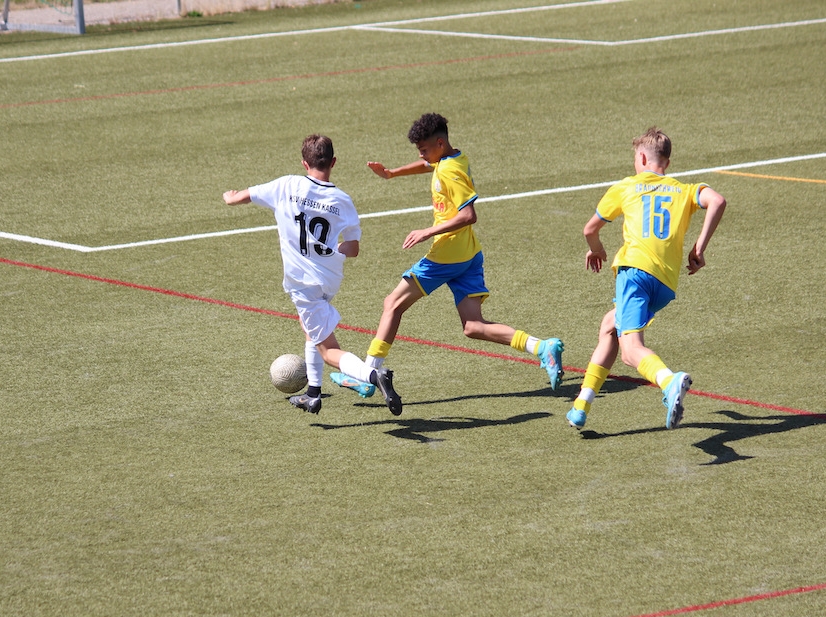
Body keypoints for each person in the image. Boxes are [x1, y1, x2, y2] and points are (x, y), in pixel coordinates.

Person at [335, 113, 564, 405]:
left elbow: (469, 215)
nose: (421, 155)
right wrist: (392, 173)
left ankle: (368, 375)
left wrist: (427, 231)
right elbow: (429, 164)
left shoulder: (450, 172)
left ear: (440, 143)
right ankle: (541, 347)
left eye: (424, 149)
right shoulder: (452, 158)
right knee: (473, 326)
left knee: (392, 303)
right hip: (468, 254)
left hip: (446, 255)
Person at [223, 134, 402, 416]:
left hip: (303, 283)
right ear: (333, 162)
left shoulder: (286, 185)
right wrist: (329, 250)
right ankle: (313, 394)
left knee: (328, 350)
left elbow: (242, 197)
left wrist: (230, 197)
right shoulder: (342, 200)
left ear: (304, 163)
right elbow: (353, 249)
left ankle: (372, 375)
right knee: (311, 329)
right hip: (330, 277)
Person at [566, 127, 727, 430]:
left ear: (641, 158)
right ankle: (582, 404)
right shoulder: (684, 190)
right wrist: (698, 249)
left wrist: (596, 249)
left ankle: (669, 381)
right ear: (667, 161)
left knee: (630, 351)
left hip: (635, 274)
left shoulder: (627, 186)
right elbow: (717, 201)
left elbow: (590, 230)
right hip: (665, 284)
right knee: (610, 325)